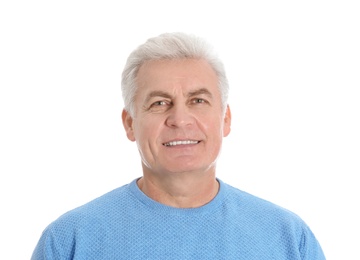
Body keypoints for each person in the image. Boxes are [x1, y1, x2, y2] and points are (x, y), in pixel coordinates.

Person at [31, 32, 326, 259]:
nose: (180, 119)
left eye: (198, 100)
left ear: (225, 118)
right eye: (159, 103)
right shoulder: (70, 240)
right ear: (130, 123)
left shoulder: (287, 237)